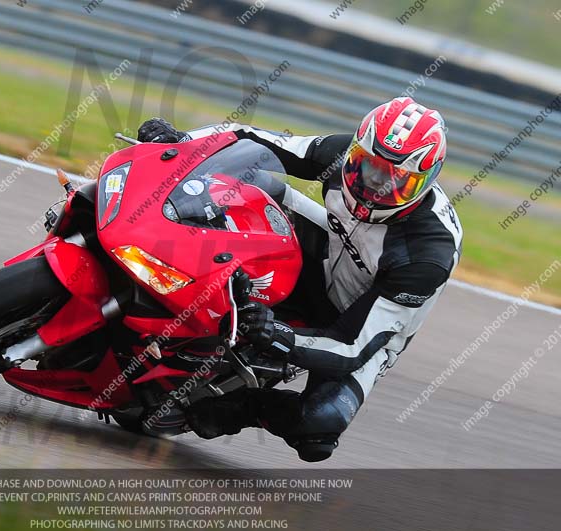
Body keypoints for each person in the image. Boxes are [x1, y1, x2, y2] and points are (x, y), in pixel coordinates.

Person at [137, 97, 463, 461]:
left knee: (320, 425)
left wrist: (277, 334)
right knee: (247, 183)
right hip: (324, 254)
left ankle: (246, 406)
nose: (373, 187)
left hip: (361, 326)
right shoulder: (343, 155)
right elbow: (255, 141)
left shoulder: (427, 255)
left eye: (394, 181)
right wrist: (184, 142)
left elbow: (352, 346)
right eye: (365, 167)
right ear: (357, 150)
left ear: (425, 181)